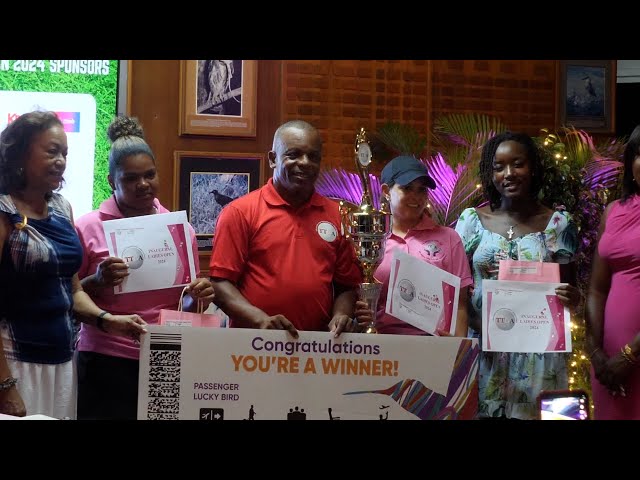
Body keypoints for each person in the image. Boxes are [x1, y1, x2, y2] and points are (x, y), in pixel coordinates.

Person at [0, 111, 145, 419]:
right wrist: (5, 385)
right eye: (52, 151)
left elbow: (71, 289)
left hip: (63, 362)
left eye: (64, 153)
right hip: (15, 362)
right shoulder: (3, 211)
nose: (61, 161)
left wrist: (108, 320)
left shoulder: (61, 207)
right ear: (20, 153)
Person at [74, 115, 214, 420]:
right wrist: (97, 280)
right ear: (112, 181)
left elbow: (187, 305)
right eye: (130, 178)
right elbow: (68, 296)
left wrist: (199, 295)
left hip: (165, 353)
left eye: (150, 175)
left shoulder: (180, 229)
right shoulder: (88, 226)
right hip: (105, 355)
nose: (143, 184)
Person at [454, 131, 581, 420]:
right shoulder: (472, 221)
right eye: (498, 167)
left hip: (538, 356)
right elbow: (458, 293)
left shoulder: (558, 224)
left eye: (517, 164)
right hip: (483, 351)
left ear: (532, 168)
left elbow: (569, 289)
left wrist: (572, 297)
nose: (508, 174)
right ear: (490, 172)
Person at [209, 119, 362, 337]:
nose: (305, 162)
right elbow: (220, 284)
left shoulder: (338, 215)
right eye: (294, 154)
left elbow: (346, 286)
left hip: (319, 348)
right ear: (273, 159)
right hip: (253, 347)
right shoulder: (239, 212)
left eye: (313, 157)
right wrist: (260, 320)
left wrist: (340, 314)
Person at [353, 155, 472, 337]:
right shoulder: (370, 241)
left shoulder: (449, 238)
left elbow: (460, 304)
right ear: (386, 191)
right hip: (381, 345)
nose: (416, 197)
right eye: (407, 188)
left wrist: (457, 349)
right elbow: (353, 294)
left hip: (433, 346)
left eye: (422, 190)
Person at [586, 124, 640, 420]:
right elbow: (596, 288)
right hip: (608, 362)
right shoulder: (613, 212)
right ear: (631, 163)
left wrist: (629, 355)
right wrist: (596, 352)